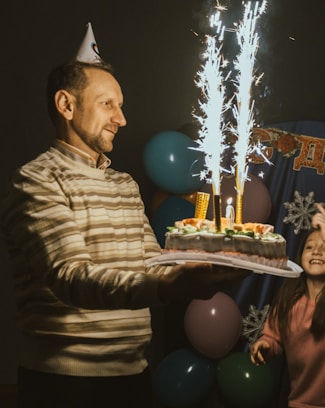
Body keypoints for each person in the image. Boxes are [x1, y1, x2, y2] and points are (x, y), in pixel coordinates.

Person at [0, 30, 250, 407]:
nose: (122, 118)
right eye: (107, 104)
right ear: (66, 105)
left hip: (134, 378)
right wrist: (168, 288)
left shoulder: (124, 185)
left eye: (120, 105)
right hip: (64, 384)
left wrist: (201, 266)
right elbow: (71, 277)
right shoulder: (35, 180)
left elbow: (150, 265)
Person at [250, 203, 325, 408]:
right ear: (300, 255)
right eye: (310, 247)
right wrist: (266, 345)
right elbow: (273, 336)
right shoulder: (288, 300)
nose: (317, 253)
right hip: (301, 402)